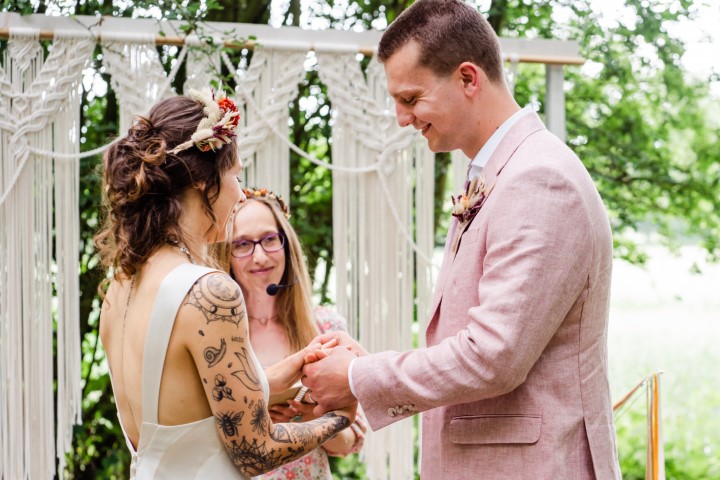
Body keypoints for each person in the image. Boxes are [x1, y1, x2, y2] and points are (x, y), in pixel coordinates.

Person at [301, 1, 621, 478]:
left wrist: (355, 377)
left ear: (468, 79)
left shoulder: (539, 180)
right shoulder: (499, 173)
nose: (401, 118)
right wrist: (362, 363)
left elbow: (494, 357)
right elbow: (476, 345)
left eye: (410, 99)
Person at [95, 90, 356, 480]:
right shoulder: (209, 292)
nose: (239, 192)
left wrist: (294, 368)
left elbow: (188, 414)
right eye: (235, 175)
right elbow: (255, 451)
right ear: (203, 181)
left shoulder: (120, 287)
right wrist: (339, 417)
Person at [229, 187, 367, 479]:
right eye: (242, 244)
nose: (259, 256)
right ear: (225, 254)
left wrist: (311, 420)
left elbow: (352, 440)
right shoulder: (218, 334)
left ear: (286, 244)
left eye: (269, 239)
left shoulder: (326, 328)